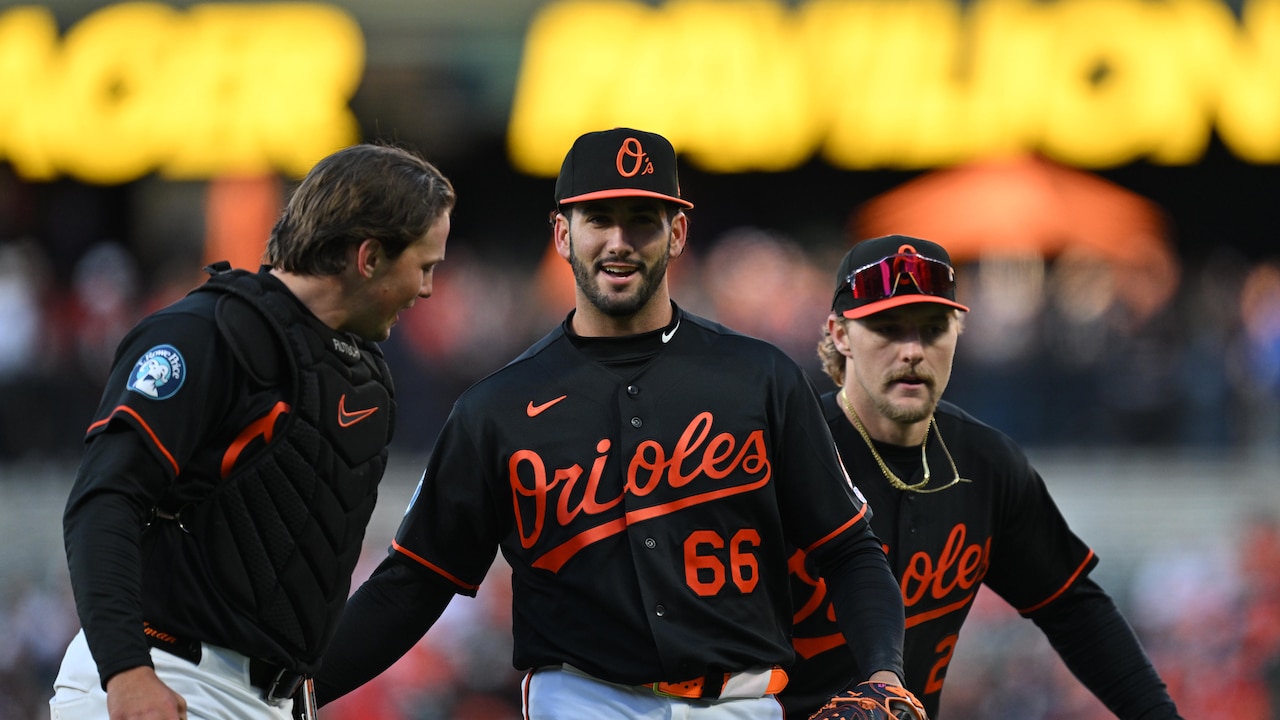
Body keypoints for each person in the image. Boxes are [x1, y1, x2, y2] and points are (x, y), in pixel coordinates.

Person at [307, 127, 914, 719]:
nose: (619, 241)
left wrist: (885, 674)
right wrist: (298, 697)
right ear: (562, 235)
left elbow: (849, 550)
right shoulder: (497, 408)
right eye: (599, 220)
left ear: (677, 234)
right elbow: (414, 581)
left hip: (740, 701)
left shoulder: (761, 380)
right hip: (582, 699)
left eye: (642, 220)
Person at [49, 142, 457, 720]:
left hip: (270, 701)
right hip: (163, 674)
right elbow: (103, 499)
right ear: (368, 258)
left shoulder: (364, 380)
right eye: (424, 265)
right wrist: (125, 669)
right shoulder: (209, 334)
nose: (428, 289)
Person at [779, 234, 1184, 719]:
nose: (912, 350)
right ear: (840, 334)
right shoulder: (785, 452)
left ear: (958, 331)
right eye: (887, 329)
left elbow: (1074, 609)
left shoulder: (984, 462)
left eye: (932, 329)